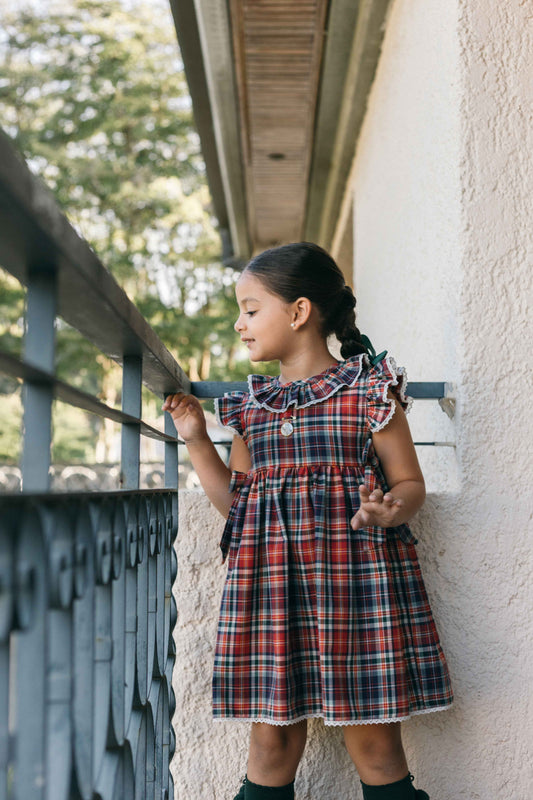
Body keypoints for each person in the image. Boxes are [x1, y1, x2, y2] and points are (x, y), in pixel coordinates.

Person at [163, 242, 453, 800]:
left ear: (298, 312)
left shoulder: (368, 392)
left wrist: (392, 508)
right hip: (273, 597)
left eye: (250, 309)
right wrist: (199, 441)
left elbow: (409, 481)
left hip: (357, 593)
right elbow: (238, 506)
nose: (239, 323)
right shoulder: (254, 406)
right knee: (269, 747)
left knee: (376, 747)